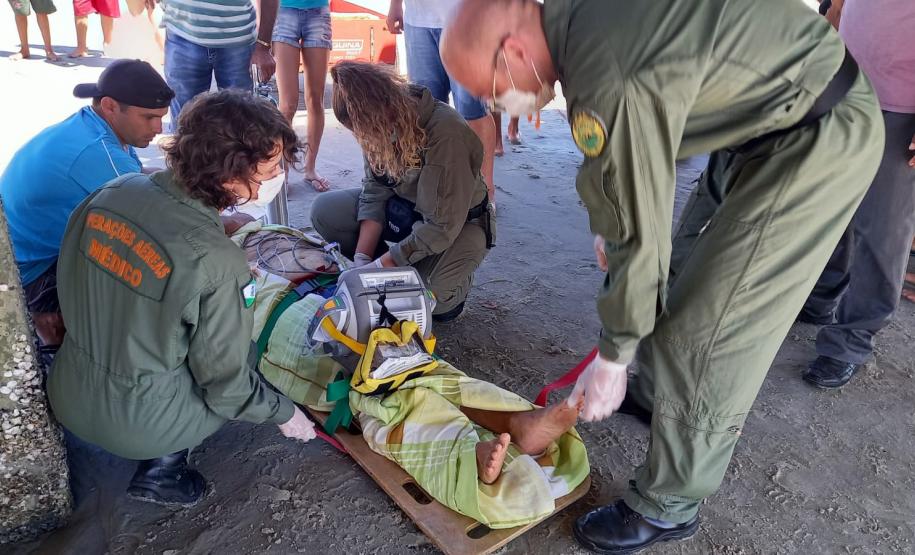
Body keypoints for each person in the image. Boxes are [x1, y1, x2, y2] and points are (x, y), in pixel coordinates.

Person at [441, 0, 882, 552]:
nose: (494, 101)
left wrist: (613, 354)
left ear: (515, 50)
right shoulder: (580, 23)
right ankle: (652, 391)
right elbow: (641, 142)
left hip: (815, 135)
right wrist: (615, 213)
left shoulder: (605, 72)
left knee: (708, 325)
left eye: (491, 87)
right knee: (676, 270)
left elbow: (636, 225)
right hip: (760, 121)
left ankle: (669, 504)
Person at [46, 89, 316, 507]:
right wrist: (285, 413)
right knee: (242, 353)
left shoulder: (113, 191)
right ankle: (163, 470)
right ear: (231, 172)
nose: (279, 173)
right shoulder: (218, 262)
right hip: (139, 426)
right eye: (273, 165)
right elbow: (226, 386)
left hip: (70, 392)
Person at [672, 0, 915, 390]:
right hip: (844, 84)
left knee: (883, 233)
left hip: (902, 105)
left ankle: (848, 343)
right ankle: (820, 298)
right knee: (828, 203)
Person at [0, 59, 171, 355]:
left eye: (161, 117)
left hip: (22, 244)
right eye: (149, 118)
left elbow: (141, 181)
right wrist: (224, 222)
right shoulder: (96, 152)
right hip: (27, 269)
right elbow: (159, 218)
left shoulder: (92, 126)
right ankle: (50, 335)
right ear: (110, 106)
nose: (158, 128)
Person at [310, 61, 493, 323]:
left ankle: (455, 282)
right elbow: (374, 190)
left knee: (430, 298)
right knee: (324, 211)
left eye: (369, 132)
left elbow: (441, 226)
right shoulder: (372, 124)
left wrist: (380, 266)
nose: (368, 140)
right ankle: (387, 275)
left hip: (458, 224)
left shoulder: (446, 133)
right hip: (407, 212)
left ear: (389, 110)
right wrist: (361, 262)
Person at [386, 0, 497, 204]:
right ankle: (437, 187)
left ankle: (485, 190)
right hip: (417, 20)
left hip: (467, 20)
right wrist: (395, 5)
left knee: (473, 111)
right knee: (425, 112)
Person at [147, 0, 280, 127]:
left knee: (240, 125)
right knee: (184, 125)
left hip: (237, 38)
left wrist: (263, 46)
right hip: (182, 32)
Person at [272, 0, 331, 191]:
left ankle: (310, 169)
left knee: (315, 99)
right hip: (283, 11)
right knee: (287, 104)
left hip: (318, 12)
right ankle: (283, 170)